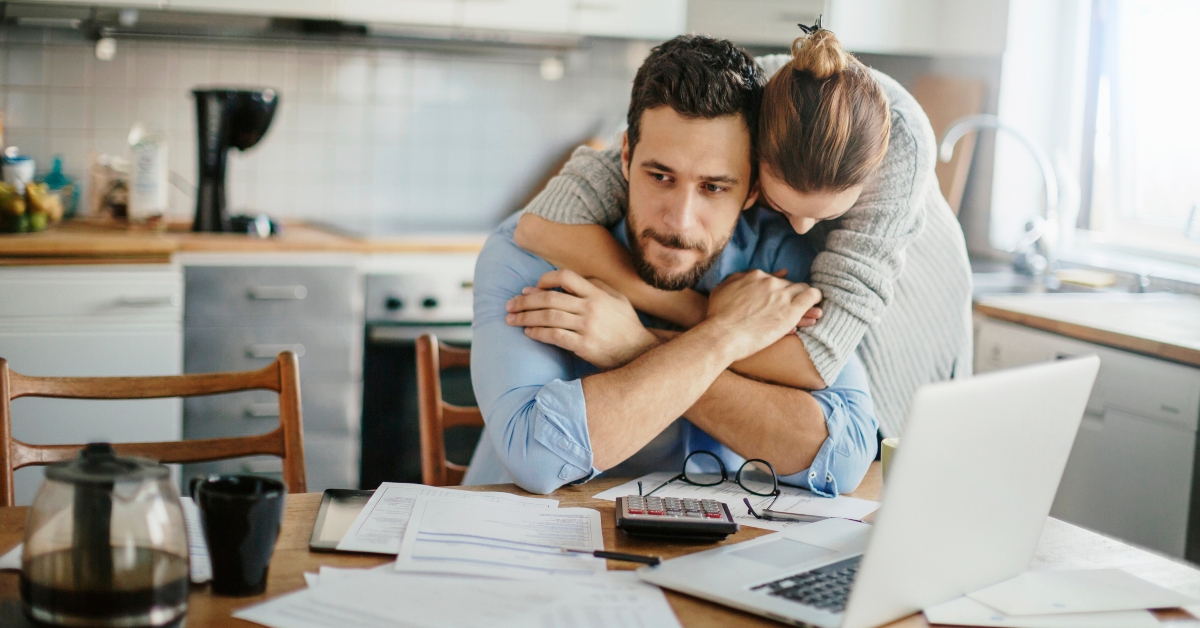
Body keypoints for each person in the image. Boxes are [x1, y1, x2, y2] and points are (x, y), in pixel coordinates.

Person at [463, 35, 877, 496]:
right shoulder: (531, 251)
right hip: (532, 545)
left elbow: (843, 458)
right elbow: (536, 457)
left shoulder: (777, 264)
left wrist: (635, 347)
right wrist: (725, 336)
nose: (679, 220)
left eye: (714, 188)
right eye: (660, 177)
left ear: (753, 191)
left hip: (711, 552)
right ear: (625, 156)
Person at [512, 26, 973, 438]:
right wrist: (712, 314)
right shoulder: (735, 103)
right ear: (752, 168)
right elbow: (542, 226)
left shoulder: (899, 153)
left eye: (826, 215)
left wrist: (647, 340)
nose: (800, 228)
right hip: (779, 311)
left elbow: (814, 360)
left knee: (893, 455)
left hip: (915, 312)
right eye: (779, 203)